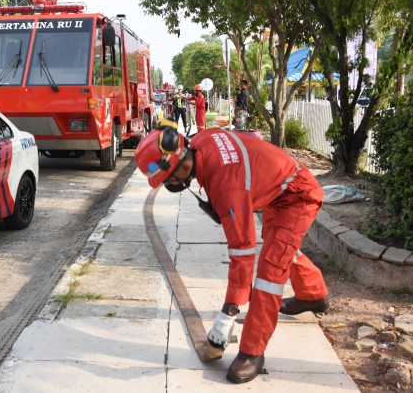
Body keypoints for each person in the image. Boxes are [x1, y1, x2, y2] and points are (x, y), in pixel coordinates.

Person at [134, 124, 329, 385]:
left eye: (168, 179)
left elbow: (242, 251)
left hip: (297, 194)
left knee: (271, 269)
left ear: (180, 164)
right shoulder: (200, 140)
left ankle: (252, 351)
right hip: (279, 186)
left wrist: (228, 313)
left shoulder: (228, 187)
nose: (171, 185)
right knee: (281, 248)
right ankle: (313, 295)